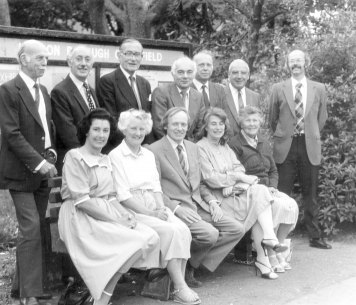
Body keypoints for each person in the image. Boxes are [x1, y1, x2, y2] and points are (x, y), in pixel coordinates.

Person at [58, 109, 160, 305]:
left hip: (106, 211)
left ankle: (101, 296)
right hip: (80, 216)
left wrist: (126, 215)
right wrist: (115, 220)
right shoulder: (75, 156)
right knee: (135, 242)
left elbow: (112, 196)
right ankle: (102, 299)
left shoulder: (105, 159)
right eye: (96, 129)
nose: (101, 135)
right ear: (86, 132)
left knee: (151, 237)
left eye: (105, 130)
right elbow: (82, 201)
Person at [109, 109, 200, 305]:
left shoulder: (148, 154)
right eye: (133, 128)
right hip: (133, 209)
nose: (138, 133)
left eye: (142, 129)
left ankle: (176, 285)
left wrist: (162, 209)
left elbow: (156, 186)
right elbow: (123, 196)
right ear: (124, 129)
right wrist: (152, 213)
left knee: (183, 229)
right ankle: (179, 287)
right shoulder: (116, 156)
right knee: (171, 231)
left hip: (153, 203)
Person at [149, 107, 245, 287]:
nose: (179, 128)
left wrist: (213, 202)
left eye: (183, 124)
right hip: (176, 208)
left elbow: (199, 183)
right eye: (175, 124)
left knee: (237, 229)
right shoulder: (154, 150)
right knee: (210, 234)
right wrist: (176, 209)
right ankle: (181, 267)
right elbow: (154, 189)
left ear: (188, 126)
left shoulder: (192, 148)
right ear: (166, 126)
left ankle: (190, 264)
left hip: (199, 204)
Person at [0, 40, 57, 305]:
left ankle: (23, 288)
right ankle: (29, 295)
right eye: (39, 58)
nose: (44, 63)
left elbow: (45, 130)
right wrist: (40, 162)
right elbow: (12, 134)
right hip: (19, 173)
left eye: (46, 59)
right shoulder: (8, 90)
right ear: (23, 59)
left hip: (40, 173)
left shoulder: (44, 91)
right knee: (30, 229)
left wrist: (50, 154)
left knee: (36, 229)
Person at [196, 107, 289, 280]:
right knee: (259, 199)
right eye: (213, 124)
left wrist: (232, 179)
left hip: (232, 193)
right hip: (216, 199)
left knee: (259, 197)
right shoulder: (201, 147)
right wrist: (237, 177)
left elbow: (239, 166)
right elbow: (211, 178)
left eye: (221, 124)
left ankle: (264, 256)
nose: (218, 128)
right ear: (206, 127)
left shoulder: (224, 146)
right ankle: (267, 247)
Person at [268, 49, 331, 249]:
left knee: (310, 192)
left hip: (308, 144)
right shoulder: (278, 88)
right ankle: (275, 237)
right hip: (285, 145)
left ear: (306, 63)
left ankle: (315, 236)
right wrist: (286, 133)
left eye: (299, 60)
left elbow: (322, 118)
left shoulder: (318, 88)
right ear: (287, 65)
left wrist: (309, 132)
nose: (296, 64)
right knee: (281, 192)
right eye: (292, 61)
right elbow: (272, 118)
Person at [229, 106, 299, 272]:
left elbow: (273, 170)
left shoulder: (264, 141)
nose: (252, 124)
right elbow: (237, 173)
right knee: (275, 206)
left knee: (291, 205)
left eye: (255, 120)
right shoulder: (235, 144)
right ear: (241, 122)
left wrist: (273, 187)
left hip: (268, 187)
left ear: (260, 122)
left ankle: (279, 246)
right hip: (250, 190)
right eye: (248, 120)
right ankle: (271, 253)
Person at [51, 45, 99, 173]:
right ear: (69, 62)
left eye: (87, 60)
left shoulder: (91, 91)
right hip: (76, 161)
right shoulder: (60, 91)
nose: (84, 64)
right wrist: (88, 157)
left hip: (93, 158)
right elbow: (68, 132)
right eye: (79, 59)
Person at [98, 38, 153, 150]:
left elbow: (147, 116)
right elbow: (111, 119)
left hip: (141, 146)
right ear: (119, 55)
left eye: (137, 54)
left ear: (142, 57)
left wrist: (146, 143)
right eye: (128, 54)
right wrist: (131, 143)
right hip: (120, 146)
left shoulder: (144, 83)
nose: (133, 59)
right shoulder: (108, 81)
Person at [151, 57, 205, 141]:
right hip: (168, 146)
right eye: (180, 72)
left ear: (194, 74)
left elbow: (200, 127)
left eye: (189, 72)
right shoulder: (161, 92)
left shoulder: (198, 96)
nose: (185, 76)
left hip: (190, 147)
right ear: (173, 74)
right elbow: (159, 126)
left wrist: (189, 147)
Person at [223, 59, 260, 138]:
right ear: (229, 74)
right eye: (235, 72)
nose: (239, 76)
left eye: (243, 73)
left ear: (248, 75)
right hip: (226, 145)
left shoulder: (255, 96)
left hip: (249, 145)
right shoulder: (220, 94)